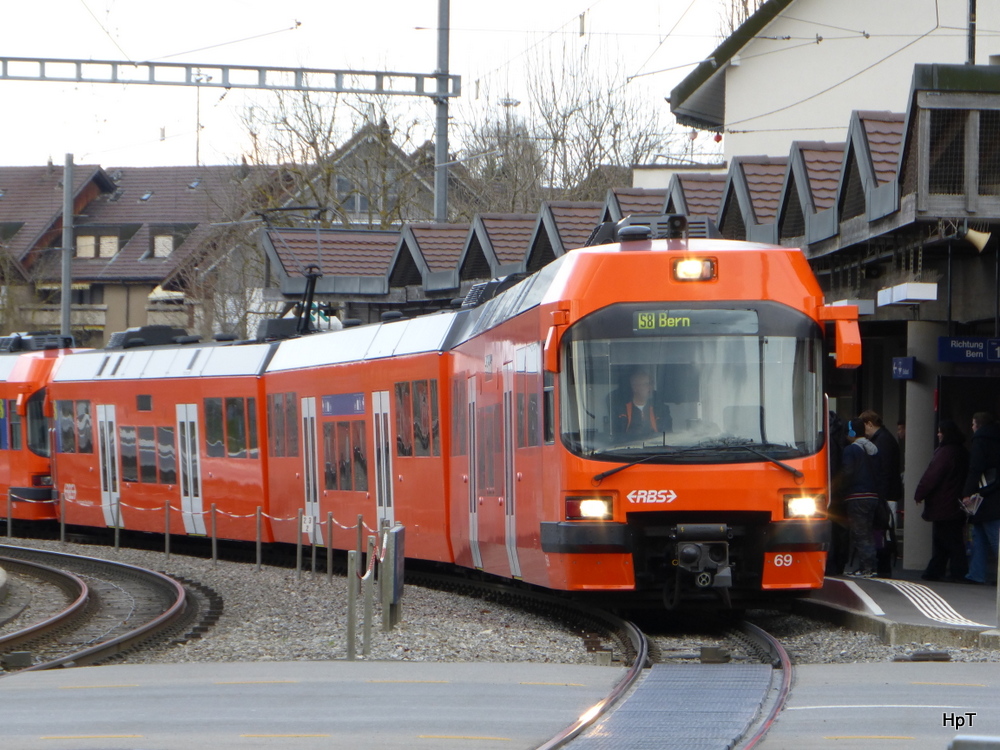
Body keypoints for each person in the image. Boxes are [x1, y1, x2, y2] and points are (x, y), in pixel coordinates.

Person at [913, 420, 969, 582]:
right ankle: (937, 570)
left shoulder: (945, 453)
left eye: (940, 431)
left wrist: (920, 493)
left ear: (946, 433)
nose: (938, 434)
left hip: (944, 503)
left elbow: (932, 475)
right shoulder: (962, 452)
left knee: (947, 540)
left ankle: (951, 571)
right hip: (955, 502)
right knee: (948, 538)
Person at [860, 409, 902, 576]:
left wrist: (880, 496)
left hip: (885, 494)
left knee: (882, 531)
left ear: (870, 424)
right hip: (888, 493)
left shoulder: (881, 441)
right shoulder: (886, 438)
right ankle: (882, 565)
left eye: (865, 427)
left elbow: (883, 470)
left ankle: (883, 566)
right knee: (882, 531)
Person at [836, 418, 880, 577]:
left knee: (860, 533)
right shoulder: (873, 449)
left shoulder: (851, 450)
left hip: (857, 496)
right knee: (868, 532)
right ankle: (870, 566)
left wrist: (838, 489)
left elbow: (847, 472)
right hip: (873, 496)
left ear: (852, 432)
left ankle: (867, 568)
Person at [961, 412, 1000, 585]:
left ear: (978, 425)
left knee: (989, 537)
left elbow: (975, 468)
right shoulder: (996, 438)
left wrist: (967, 492)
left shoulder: (980, 440)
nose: (971, 427)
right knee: (982, 535)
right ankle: (975, 573)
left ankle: (976, 574)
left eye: (972, 423)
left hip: (985, 497)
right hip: (994, 493)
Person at [613, 367, 671, 438]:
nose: (650, 387)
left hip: (656, 447)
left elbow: (668, 435)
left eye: (651, 384)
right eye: (646, 384)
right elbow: (617, 437)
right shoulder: (621, 410)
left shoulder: (662, 409)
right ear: (635, 388)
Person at [826, 411, 851, 576]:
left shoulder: (828, 442)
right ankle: (840, 562)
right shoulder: (841, 438)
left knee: (831, 529)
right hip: (842, 493)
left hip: (832, 491)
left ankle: (832, 564)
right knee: (840, 530)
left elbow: (831, 467)